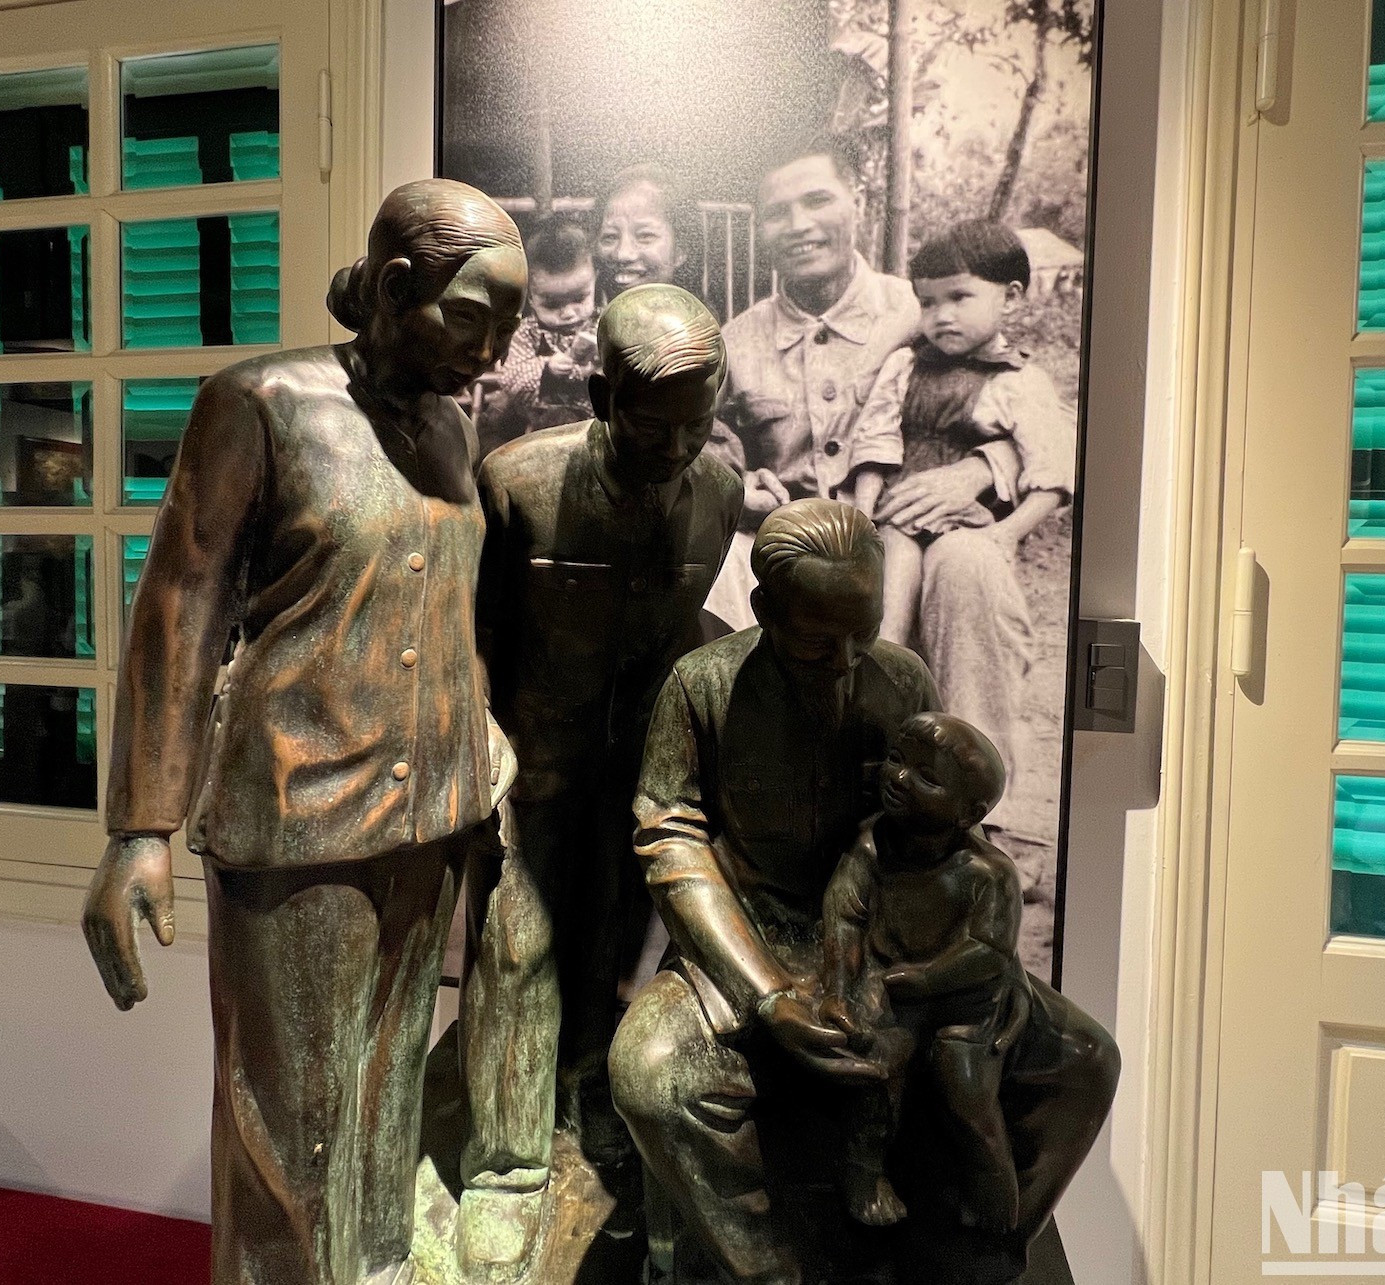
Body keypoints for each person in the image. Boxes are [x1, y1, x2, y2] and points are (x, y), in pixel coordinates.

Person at [81, 179, 526, 1285]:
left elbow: (442, 614)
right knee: (289, 1125)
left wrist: (486, 774)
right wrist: (141, 827)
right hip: (300, 812)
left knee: (384, 1098)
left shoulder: (448, 429)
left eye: (509, 328)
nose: (495, 353)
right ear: (393, 286)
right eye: (475, 319)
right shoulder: (261, 403)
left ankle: (373, 1271)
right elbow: (180, 607)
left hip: (432, 812)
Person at [609, 500, 1118, 1285]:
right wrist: (768, 989)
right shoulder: (703, 687)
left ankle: (977, 1247)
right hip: (756, 933)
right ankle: (766, 1266)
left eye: (864, 631)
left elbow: (949, 822)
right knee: (649, 1072)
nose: (847, 660)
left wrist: (971, 951)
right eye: (818, 642)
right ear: (764, 609)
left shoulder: (901, 677)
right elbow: (669, 838)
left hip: (898, 937)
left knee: (1085, 1061)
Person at [459, 285, 742, 1279]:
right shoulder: (515, 483)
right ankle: (503, 1165)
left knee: (617, 948)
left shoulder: (720, 490)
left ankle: (585, 1095)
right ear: (595, 393)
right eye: (649, 424)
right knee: (517, 948)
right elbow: (469, 640)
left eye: (695, 425)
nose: (674, 449)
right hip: (527, 767)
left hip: (636, 768)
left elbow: (690, 630)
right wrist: (484, 746)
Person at [703, 140, 1030, 641]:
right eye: (776, 213)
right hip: (788, 548)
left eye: (817, 200)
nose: (798, 226)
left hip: (906, 536)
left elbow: (1035, 406)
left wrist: (977, 469)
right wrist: (735, 489)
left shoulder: (923, 310)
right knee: (723, 574)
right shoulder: (736, 341)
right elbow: (693, 442)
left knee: (966, 568)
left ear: (857, 199)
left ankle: (965, 721)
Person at [843, 223, 1075, 839]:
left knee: (962, 570)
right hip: (898, 514)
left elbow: (1051, 475)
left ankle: (972, 802)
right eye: (927, 302)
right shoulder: (903, 367)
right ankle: (874, 783)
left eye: (960, 297)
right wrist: (868, 511)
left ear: (1013, 297)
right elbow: (875, 442)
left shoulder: (1020, 381)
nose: (940, 315)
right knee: (885, 621)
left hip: (969, 527)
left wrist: (1008, 533)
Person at [819, 713, 1029, 1236]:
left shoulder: (989, 875)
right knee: (874, 1065)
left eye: (926, 777)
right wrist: (840, 991)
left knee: (965, 1094)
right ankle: (863, 1174)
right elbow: (844, 915)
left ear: (969, 813)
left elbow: (988, 951)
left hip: (965, 1005)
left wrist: (928, 977)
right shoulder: (870, 846)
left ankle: (994, 1203)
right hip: (893, 987)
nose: (898, 778)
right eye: (896, 760)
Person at [479, 213, 601, 455]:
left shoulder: (602, 323)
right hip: (538, 424)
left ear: (595, 281)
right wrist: (546, 367)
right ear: (531, 296)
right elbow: (511, 379)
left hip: (596, 419)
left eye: (579, 298)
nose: (568, 313)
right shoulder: (528, 333)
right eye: (552, 304)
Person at [594, 162, 695, 299]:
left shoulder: (699, 319)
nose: (622, 254)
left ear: (681, 250)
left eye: (645, 236)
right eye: (610, 237)